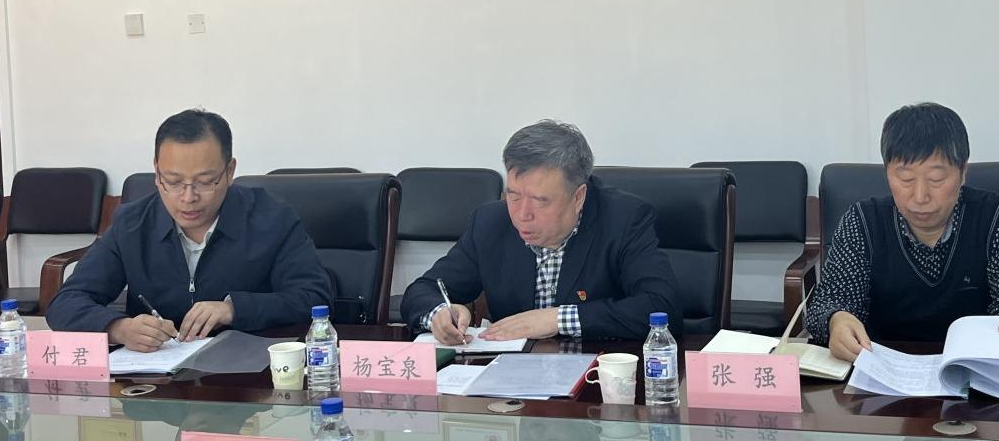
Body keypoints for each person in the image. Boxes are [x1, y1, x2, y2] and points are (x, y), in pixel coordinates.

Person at [47, 109, 332, 351]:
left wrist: (234, 309)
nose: (188, 197)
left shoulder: (271, 219)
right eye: (172, 181)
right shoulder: (132, 224)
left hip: (247, 378)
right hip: (156, 384)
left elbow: (314, 297)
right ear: (156, 172)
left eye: (205, 181)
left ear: (230, 171)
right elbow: (65, 303)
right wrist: (118, 328)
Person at [805, 102, 999, 367]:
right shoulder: (862, 221)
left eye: (936, 179)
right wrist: (835, 320)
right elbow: (828, 303)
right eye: (905, 179)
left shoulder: (998, 218)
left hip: (977, 375)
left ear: (963, 172)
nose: (920, 196)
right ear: (887, 173)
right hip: (882, 373)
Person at [401, 120, 680, 343]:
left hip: (598, 379)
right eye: (513, 195)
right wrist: (441, 313)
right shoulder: (490, 223)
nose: (522, 214)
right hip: (511, 381)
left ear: (578, 197)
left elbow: (662, 307)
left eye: (540, 200)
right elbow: (422, 292)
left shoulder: (624, 219)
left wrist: (555, 319)